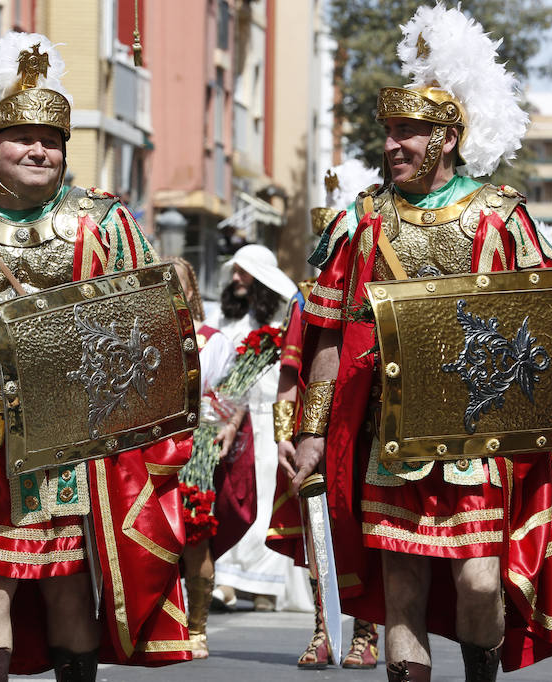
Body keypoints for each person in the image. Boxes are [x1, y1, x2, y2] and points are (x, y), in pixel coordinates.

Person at [0, 32, 190, 681]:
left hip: (72, 443)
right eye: (21, 136)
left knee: (69, 591)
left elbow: (150, 322)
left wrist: (179, 283)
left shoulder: (104, 222)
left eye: (50, 139)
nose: (38, 149)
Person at [292, 6, 552, 680]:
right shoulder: (363, 217)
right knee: (403, 594)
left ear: (448, 138)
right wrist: (308, 430)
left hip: (481, 433)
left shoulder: (500, 213)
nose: (394, 144)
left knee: (481, 586)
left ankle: (482, 667)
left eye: (410, 132)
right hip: (391, 433)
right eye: (389, 131)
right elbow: (327, 332)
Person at [269, 162, 383, 671]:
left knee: (366, 529)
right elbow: (292, 372)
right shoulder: (304, 301)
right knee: (321, 533)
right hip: (317, 430)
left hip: (371, 427)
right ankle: (323, 626)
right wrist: (285, 434)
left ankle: (365, 632)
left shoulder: (372, 290)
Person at [206, 243, 312, 613]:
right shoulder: (225, 320)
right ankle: (230, 581)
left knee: (268, 500)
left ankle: (265, 586)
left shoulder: (285, 318)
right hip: (232, 423)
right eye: (234, 271)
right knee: (235, 498)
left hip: (272, 425)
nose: (236, 279)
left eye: (244, 272)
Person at [165, 256, 255, 659]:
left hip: (194, 445)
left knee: (194, 536)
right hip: (147, 448)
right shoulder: (139, 335)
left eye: (176, 283)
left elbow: (225, 398)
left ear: (191, 291)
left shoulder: (212, 339)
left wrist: (224, 425)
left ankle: (197, 627)